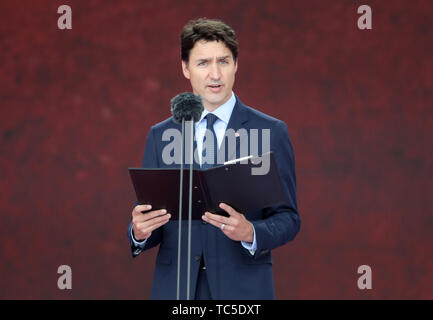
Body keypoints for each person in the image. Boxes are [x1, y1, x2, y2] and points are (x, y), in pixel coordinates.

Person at [127, 18, 300, 300]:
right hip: (177, 290)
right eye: (203, 63)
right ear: (185, 68)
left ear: (236, 65)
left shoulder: (270, 132)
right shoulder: (162, 135)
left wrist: (251, 232)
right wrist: (139, 231)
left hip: (243, 292)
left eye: (224, 61)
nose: (215, 74)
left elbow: (288, 218)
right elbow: (152, 217)